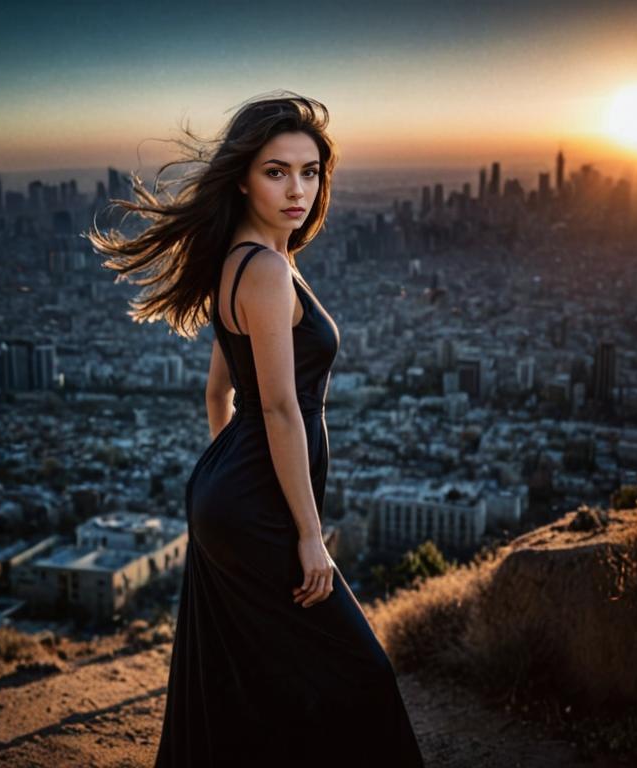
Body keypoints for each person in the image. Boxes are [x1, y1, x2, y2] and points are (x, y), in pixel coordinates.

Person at [85, 91, 424, 768]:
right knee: (362, 675)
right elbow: (274, 408)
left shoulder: (238, 262)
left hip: (227, 493)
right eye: (277, 171)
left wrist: (224, 481)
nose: (298, 189)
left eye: (310, 171)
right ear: (243, 177)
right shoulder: (266, 271)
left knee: (247, 675)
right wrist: (306, 534)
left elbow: (218, 392)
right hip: (256, 504)